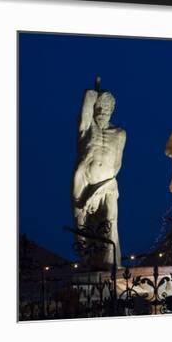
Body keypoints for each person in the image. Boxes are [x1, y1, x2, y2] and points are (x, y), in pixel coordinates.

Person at [72, 88, 126, 270]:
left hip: (108, 186)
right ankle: (88, 262)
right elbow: (87, 97)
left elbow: (117, 164)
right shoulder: (87, 129)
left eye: (107, 108)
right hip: (84, 185)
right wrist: (94, 93)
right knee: (84, 228)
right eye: (99, 107)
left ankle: (109, 264)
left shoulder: (120, 134)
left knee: (110, 220)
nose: (103, 111)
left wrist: (104, 183)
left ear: (112, 110)